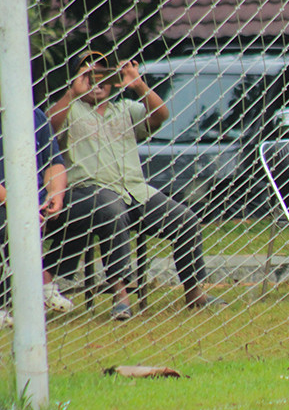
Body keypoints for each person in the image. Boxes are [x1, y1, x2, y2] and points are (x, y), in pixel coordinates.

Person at [47, 52, 221, 321]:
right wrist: (72, 94)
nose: (95, 80)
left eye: (101, 74)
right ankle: (120, 294)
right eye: (87, 74)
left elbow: (160, 115)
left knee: (186, 219)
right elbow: (46, 129)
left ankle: (194, 292)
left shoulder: (125, 108)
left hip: (134, 189)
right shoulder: (69, 109)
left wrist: (138, 85)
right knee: (111, 210)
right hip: (86, 191)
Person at [0, 107, 69, 328]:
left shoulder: (34, 114)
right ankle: (6, 301)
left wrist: (55, 194)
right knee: (5, 223)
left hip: (35, 201)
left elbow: (54, 163)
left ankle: (44, 280)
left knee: (89, 211)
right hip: (6, 201)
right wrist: (20, 206)